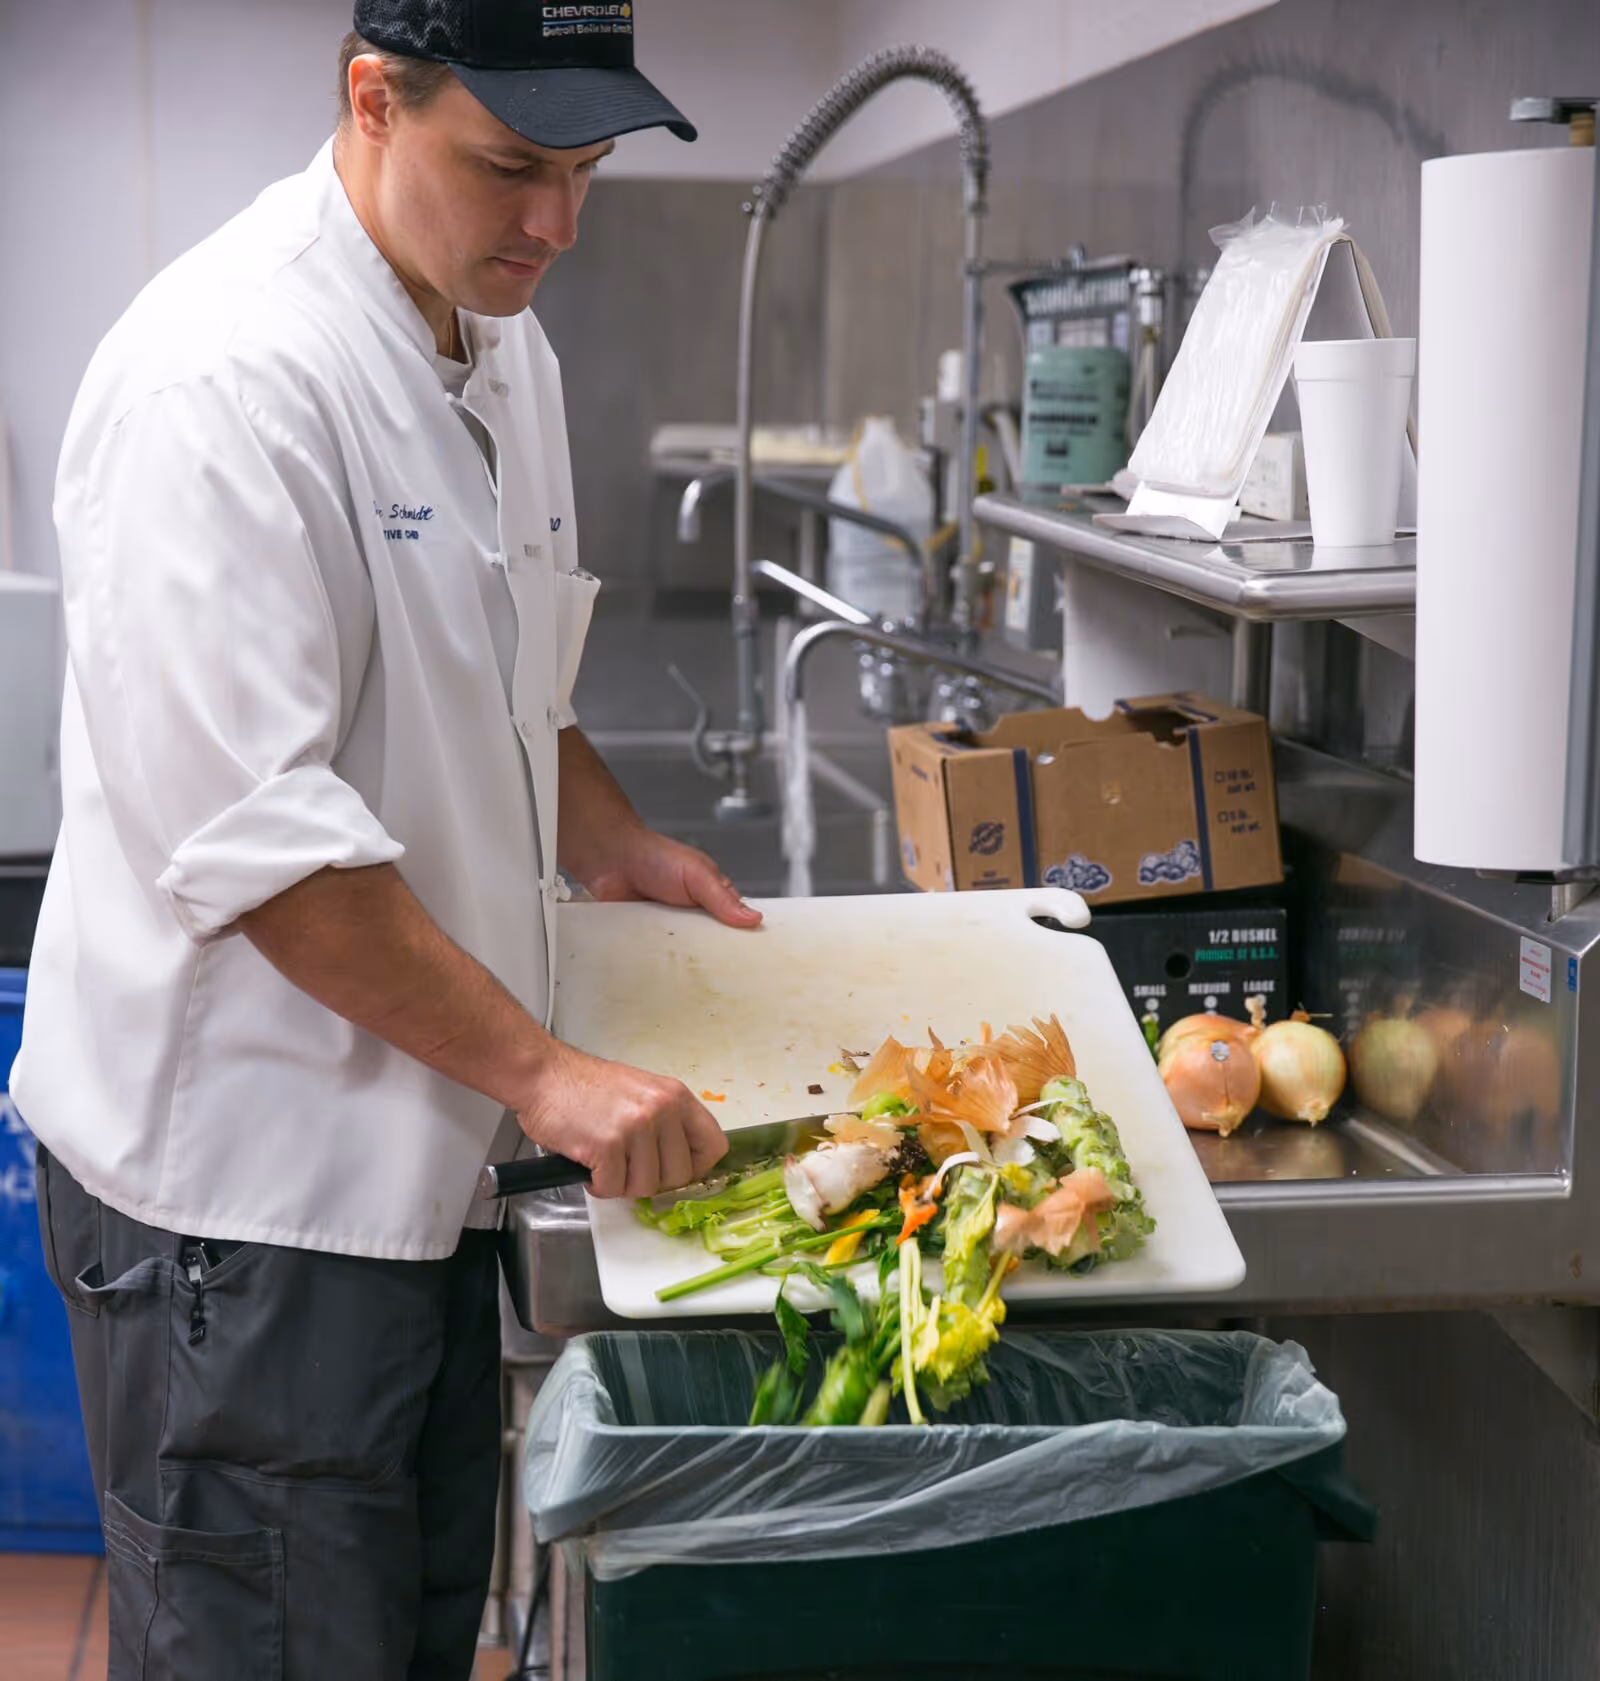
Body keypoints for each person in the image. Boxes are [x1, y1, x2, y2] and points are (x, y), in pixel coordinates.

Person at [13, 3, 755, 1674]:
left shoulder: (499, 337)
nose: (556, 225)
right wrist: (550, 1076)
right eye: (511, 168)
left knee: (394, 1639)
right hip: (246, 1196)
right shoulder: (222, 382)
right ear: (372, 100)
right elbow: (262, 850)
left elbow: (508, 674)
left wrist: (616, 841)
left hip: (421, 1156)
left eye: (586, 172)